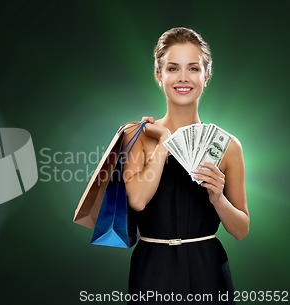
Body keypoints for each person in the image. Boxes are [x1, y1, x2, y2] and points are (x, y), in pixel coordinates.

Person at [123, 27, 249, 304]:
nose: (183, 78)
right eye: (172, 68)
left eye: (193, 68)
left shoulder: (228, 145)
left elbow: (241, 229)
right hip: (152, 268)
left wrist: (218, 199)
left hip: (208, 269)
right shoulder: (136, 135)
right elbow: (138, 200)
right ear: (159, 75)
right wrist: (165, 142)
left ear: (206, 75)